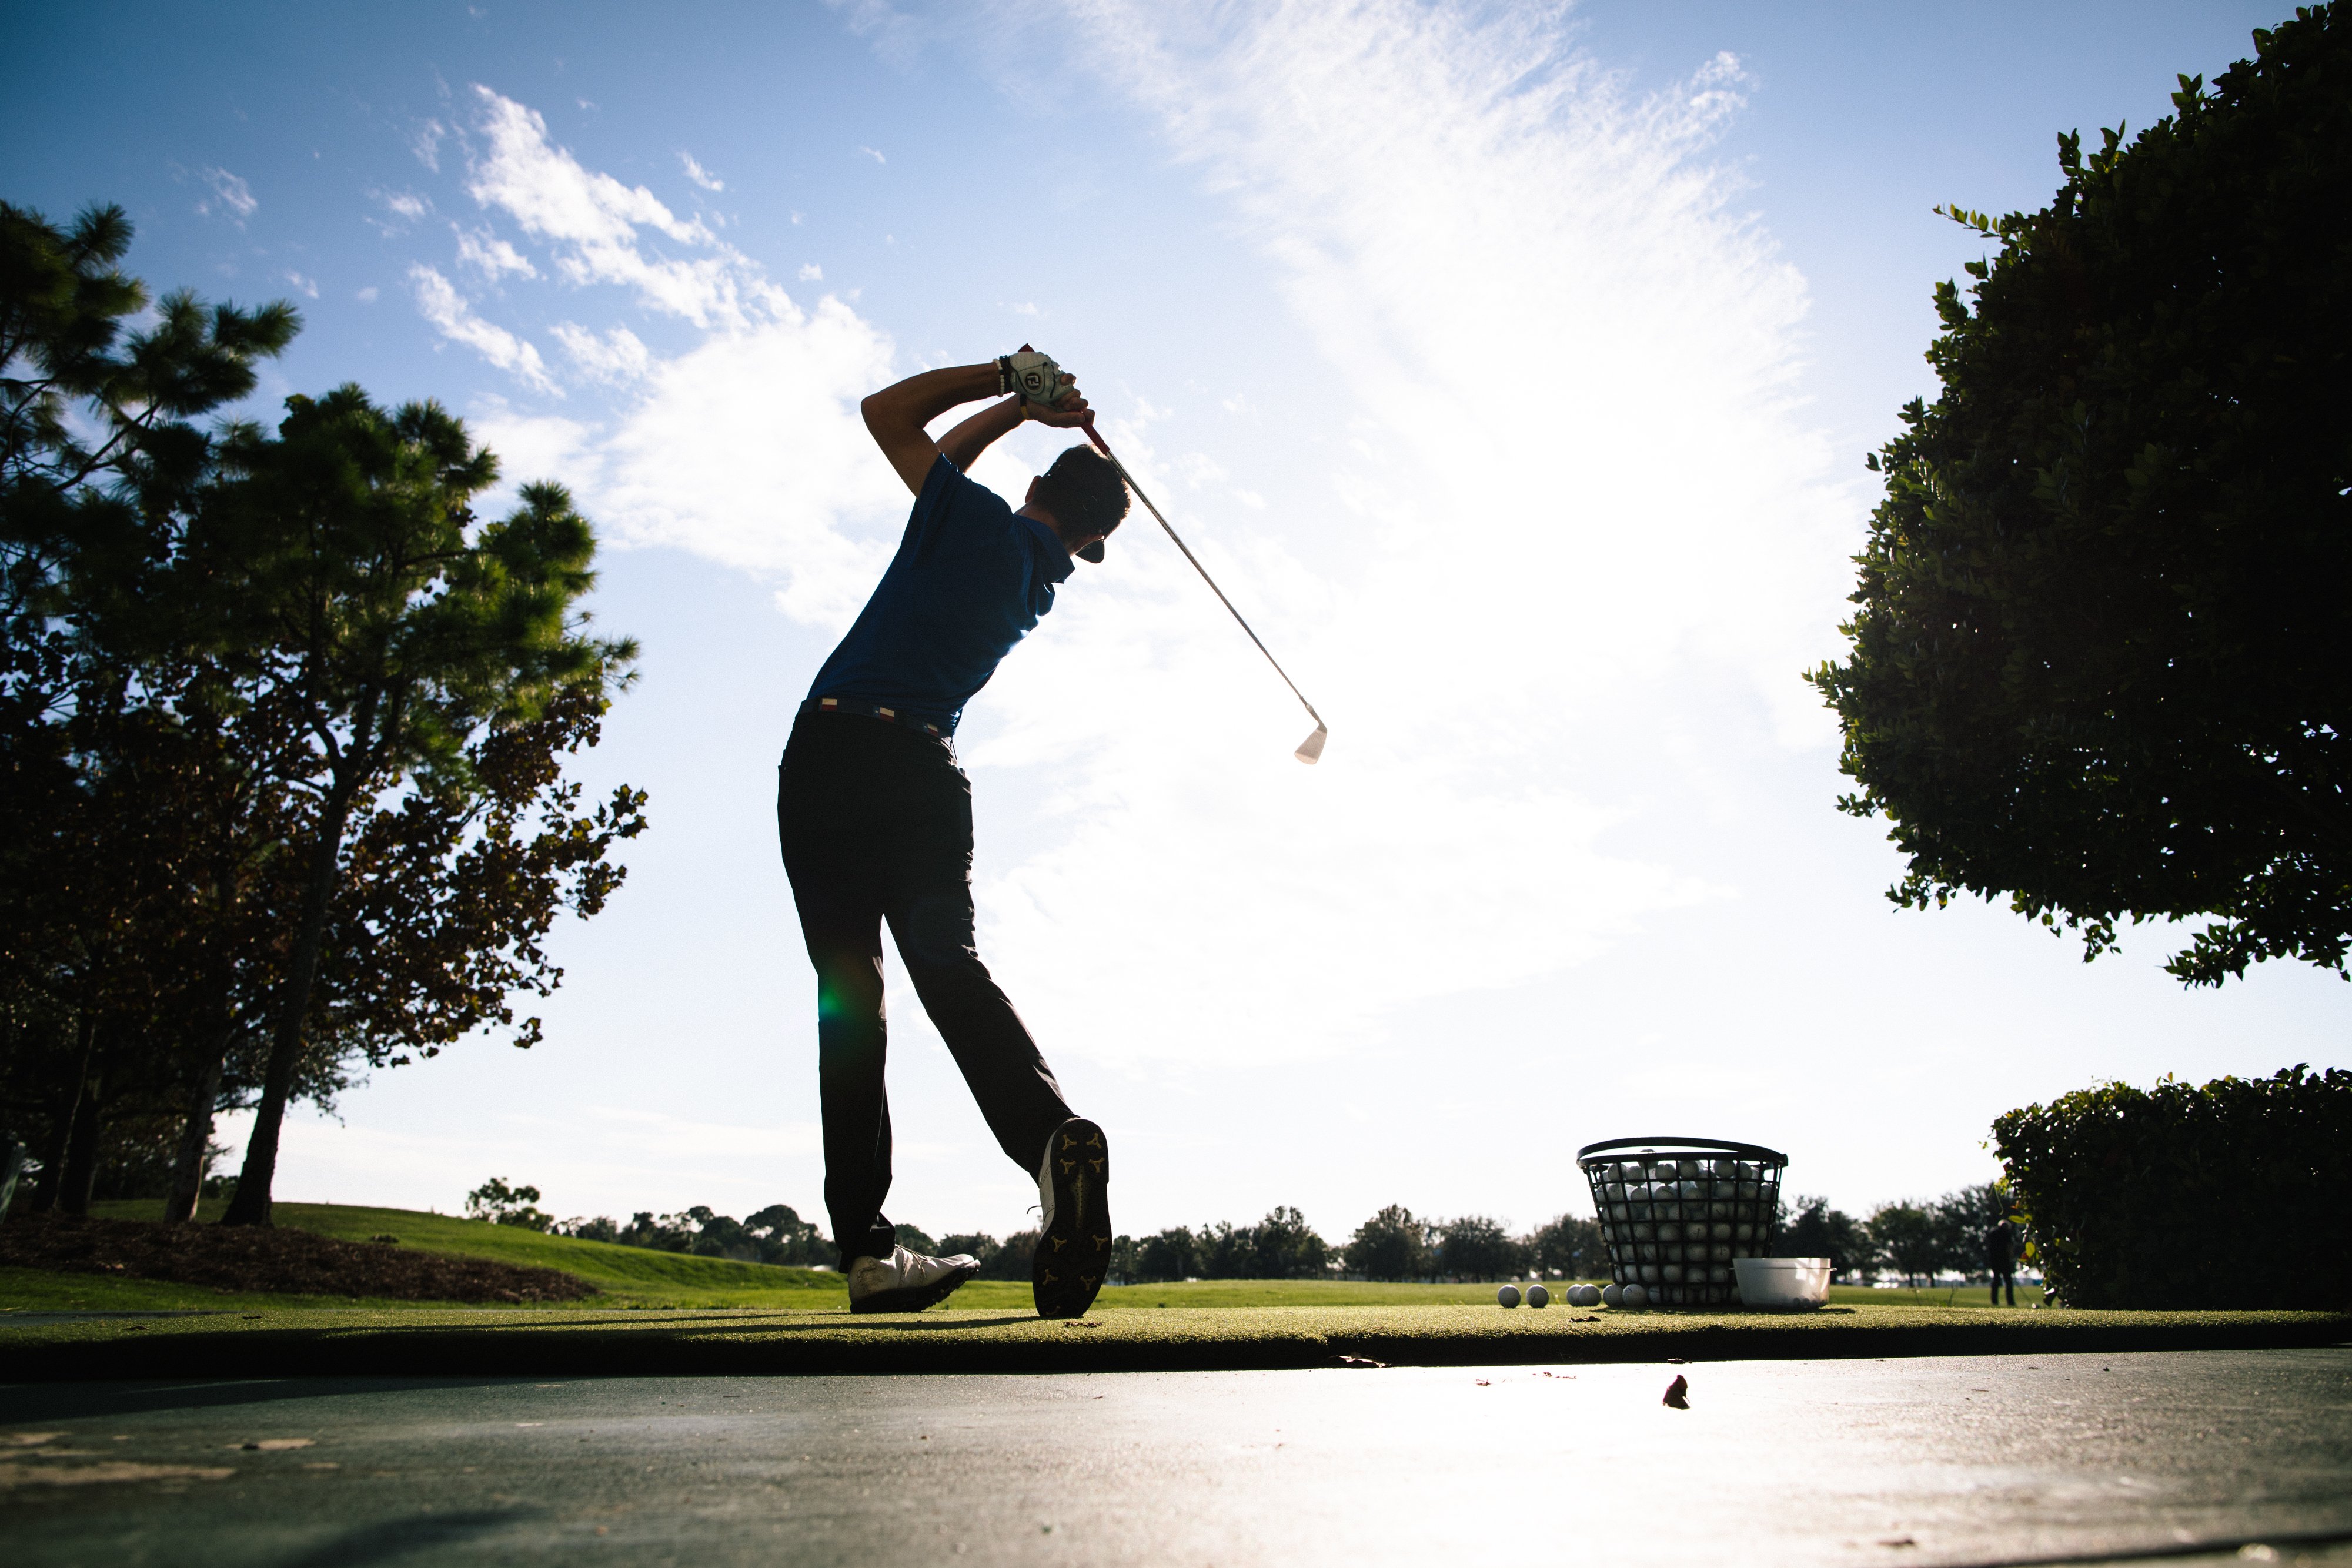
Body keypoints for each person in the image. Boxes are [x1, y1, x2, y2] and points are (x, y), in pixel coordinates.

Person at [777, 350, 1129, 1319]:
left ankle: (867, 1253)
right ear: (1089, 540)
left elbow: (890, 415)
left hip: (832, 757)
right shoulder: (1038, 582)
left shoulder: (970, 518)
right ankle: (1048, 1138)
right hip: (928, 779)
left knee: (852, 1001)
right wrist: (1023, 420)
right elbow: (944, 458)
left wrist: (1012, 389)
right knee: (953, 972)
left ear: (1034, 488)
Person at [1985, 1211, 2020, 1307]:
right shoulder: (2007, 1233)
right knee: (2008, 1281)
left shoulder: (1993, 1233)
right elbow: (2010, 1247)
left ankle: (1994, 1301)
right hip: (2004, 1260)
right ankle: (2010, 1301)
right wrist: (2011, 1257)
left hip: (1994, 1260)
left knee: (1996, 1281)